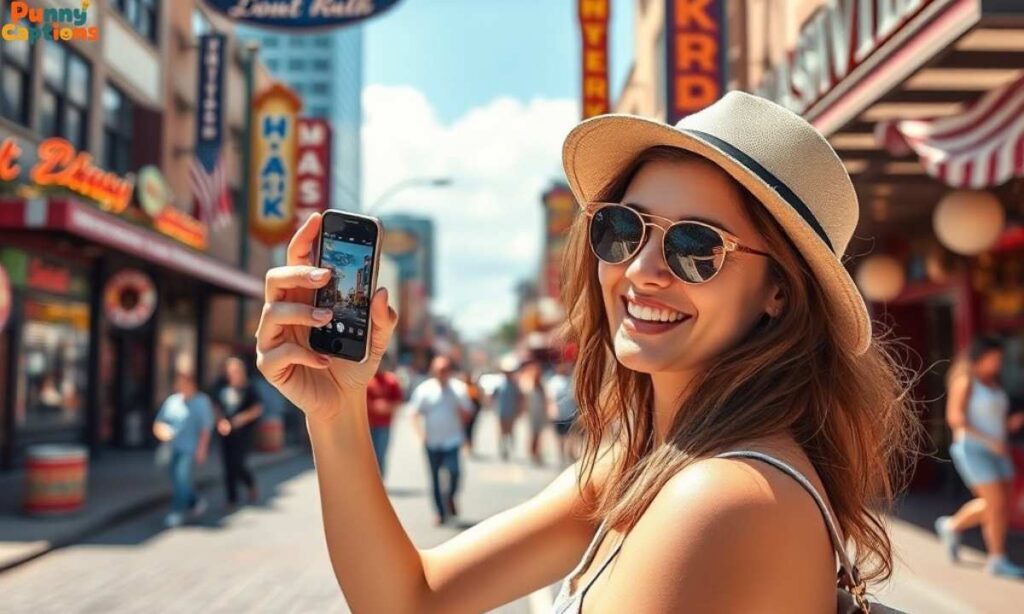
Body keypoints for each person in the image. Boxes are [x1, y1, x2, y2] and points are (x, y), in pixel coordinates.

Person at [255, 91, 919, 612]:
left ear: (778, 290)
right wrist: (336, 411)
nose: (641, 270)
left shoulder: (721, 499)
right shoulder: (641, 462)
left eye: (695, 247)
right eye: (622, 229)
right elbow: (411, 599)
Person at [935, 335, 1024, 578]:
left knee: (1001, 504)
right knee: (994, 503)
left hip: (998, 448)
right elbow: (955, 418)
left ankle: (952, 526)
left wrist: (1009, 424)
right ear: (980, 357)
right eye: (994, 358)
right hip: (974, 449)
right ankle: (997, 558)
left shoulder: (995, 383)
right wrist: (988, 441)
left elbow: (992, 420)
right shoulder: (965, 381)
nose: (997, 363)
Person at [409, 356, 473, 525]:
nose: (442, 374)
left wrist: (460, 409)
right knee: (435, 478)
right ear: (433, 371)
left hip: (452, 440)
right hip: (432, 442)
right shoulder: (424, 390)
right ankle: (439, 511)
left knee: (454, 472)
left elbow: (468, 415)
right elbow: (414, 414)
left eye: (445, 370)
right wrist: (420, 434)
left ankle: (450, 497)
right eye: (439, 370)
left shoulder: (459, 389)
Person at [153, 363, 213, 528]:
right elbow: (158, 423)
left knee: (181, 478)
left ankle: (177, 512)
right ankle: (195, 501)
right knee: (177, 480)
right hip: (172, 447)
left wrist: (202, 449)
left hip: (189, 449)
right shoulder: (172, 401)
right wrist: (162, 432)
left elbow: (205, 429)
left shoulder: (201, 401)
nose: (180, 385)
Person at [211, 356, 263, 510]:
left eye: (235, 370)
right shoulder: (221, 386)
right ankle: (231, 499)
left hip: (243, 433)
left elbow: (257, 409)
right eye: (230, 370)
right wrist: (220, 421)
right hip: (225, 431)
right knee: (228, 466)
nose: (232, 373)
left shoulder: (249, 388)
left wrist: (240, 420)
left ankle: (250, 483)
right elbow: (215, 406)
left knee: (238, 463)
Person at [367, 353, 403, 477]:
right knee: (366, 457)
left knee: (380, 455)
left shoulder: (391, 381)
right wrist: (373, 406)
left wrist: (385, 407)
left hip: (383, 425)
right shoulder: (366, 379)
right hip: (365, 425)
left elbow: (398, 402)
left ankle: (379, 485)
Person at [544, 361, 579, 467]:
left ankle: (570, 453)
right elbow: (550, 398)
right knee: (560, 436)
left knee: (571, 435)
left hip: (570, 412)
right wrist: (551, 410)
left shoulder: (570, 381)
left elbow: (575, 396)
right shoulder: (554, 382)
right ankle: (561, 455)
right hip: (558, 413)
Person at [492, 356, 523, 461]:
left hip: (511, 411)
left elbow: (519, 397)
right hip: (501, 411)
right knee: (502, 431)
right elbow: (493, 396)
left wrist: (519, 410)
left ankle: (509, 447)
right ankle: (503, 448)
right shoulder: (499, 384)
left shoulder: (514, 385)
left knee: (510, 431)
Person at [520, 360, 548, 465]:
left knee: (539, 433)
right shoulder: (528, 384)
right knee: (533, 433)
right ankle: (532, 451)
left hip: (540, 412)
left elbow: (545, 399)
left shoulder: (541, 385)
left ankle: (537, 452)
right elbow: (525, 399)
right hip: (532, 413)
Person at [460, 371, 483, 456]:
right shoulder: (463, 387)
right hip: (464, 412)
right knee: (465, 430)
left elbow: (477, 400)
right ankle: (466, 446)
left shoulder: (473, 387)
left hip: (472, 412)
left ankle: (469, 446)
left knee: (470, 429)